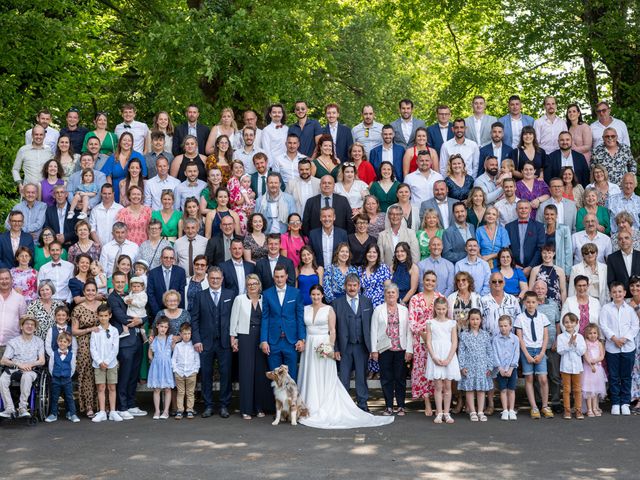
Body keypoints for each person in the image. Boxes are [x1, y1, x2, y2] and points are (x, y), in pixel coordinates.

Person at [297, 284, 393, 428]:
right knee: (310, 374)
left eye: (318, 294)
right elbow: (302, 328)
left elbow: (333, 330)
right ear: (310, 295)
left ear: (322, 295)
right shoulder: (305, 309)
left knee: (323, 375)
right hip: (309, 346)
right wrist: (303, 341)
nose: (316, 297)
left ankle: (327, 404)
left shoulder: (329, 309)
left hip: (323, 345)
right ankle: (309, 406)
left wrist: (328, 348)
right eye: (313, 294)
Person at [190, 266, 234, 418]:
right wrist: (196, 340)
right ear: (208, 279)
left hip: (225, 342)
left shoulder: (231, 294)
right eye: (212, 278)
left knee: (225, 374)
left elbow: (235, 319)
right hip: (205, 342)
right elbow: (194, 319)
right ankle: (208, 405)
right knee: (206, 374)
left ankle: (224, 405)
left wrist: (235, 338)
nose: (215, 280)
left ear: (222, 279)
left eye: (218, 278)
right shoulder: (200, 296)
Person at [230, 274, 273, 419]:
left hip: (261, 337)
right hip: (245, 336)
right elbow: (233, 319)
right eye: (249, 284)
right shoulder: (239, 299)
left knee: (260, 373)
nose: (252, 286)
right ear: (246, 286)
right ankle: (246, 409)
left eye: (255, 283)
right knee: (246, 372)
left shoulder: (264, 299)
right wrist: (233, 338)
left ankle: (259, 407)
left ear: (259, 285)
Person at [332, 274, 374, 411]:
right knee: (344, 377)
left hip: (362, 346)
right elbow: (334, 329)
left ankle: (362, 404)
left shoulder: (367, 302)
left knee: (361, 377)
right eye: (349, 285)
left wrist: (372, 348)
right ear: (345, 286)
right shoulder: (336, 303)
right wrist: (336, 348)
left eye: (354, 285)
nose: (352, 288)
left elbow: (371, 326)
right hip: (345, 347)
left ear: (359, 286)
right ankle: (345, 406)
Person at [370, 283, 412, 416]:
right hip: (384, 348)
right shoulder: (378, 310)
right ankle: (388, 406)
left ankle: (400, 406)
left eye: (393, 292)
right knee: (386, 378)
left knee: (400, 378)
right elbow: (373, 330)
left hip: (401, 348)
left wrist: (409, 350)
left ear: (398, 294)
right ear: (385, 295)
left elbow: (409, 332)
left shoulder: (404, 310)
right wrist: (374, 350)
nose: (391, 295)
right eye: (388, 292)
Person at [600, 282, 639, 415]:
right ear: (611, 294)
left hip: (628, 348)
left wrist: (625, 338)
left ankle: (625, 403)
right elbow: (603, 325)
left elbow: (635, 326)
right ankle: (616, 403)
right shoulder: (606, 308)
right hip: (612, 348)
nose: (617, 294)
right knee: (614, 376)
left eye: (620, 292)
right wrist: (614, 338)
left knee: (626, 376)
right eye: (615, 292)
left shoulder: (629, 309)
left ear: (624, 293)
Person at [260, 265, 305, 380]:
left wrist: (301, 339)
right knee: (276, 379)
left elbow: (299, 317)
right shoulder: (267, 294)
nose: (279, 279)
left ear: (286, 277)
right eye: (276, 277)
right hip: (273, 342)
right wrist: (264, 340)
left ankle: (292, 399)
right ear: (273, 277)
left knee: (291, 377)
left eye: (281, 276)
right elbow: (265, 318)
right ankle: (277, 399)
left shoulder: (296, 293)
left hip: (291, 341)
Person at [408, 271, 444, 416]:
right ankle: (427, 402)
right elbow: (412, 321)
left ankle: (439, 404)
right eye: (427, 280)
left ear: (436, 283)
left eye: (433, 281)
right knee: (422, 371)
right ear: (423, 281)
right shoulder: (415, 299)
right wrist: (423, 333)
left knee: (437, 370)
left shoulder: (440, 298)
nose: (430, 283)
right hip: (420, 340)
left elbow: (445, 318)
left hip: (437, 340)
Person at [515, 291, 553, 419]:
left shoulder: (542, 317)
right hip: (527, 351)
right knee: (529, 379)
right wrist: (526, 355)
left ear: (537, 303)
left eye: (533, 302)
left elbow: (546, 336)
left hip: (539, 350)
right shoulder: (520, 318)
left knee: (543, 378)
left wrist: (542, 353)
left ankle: (545, 406)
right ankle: (534, 407)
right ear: (524, 303)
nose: (530, 305)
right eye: (528, 302)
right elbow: (520, 338)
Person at [0, 315, 45, 419]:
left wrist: (30, 365)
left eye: (32, 325)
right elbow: (3, 360)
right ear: (21, 326)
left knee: (27, 376)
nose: (29, 326)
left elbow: (42, 361)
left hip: (30, 370)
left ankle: (22, 408)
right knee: (2, 379)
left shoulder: (39, 342)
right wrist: (19, 365)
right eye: (27, 324)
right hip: (14, 368)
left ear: (35, 328)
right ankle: (9, 409)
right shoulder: (13, 342)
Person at [425, 297, 460, 424]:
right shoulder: (430, 323)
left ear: (447, 309)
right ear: (435, 308)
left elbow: (454, 342)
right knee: (438, 386)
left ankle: (447, 413)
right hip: (436, 355)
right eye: (438, 309)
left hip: (448, 355)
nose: (441, 311)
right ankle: (439, 413)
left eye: (443, 309)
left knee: (448, 386)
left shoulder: (452, 323)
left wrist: (449, 358)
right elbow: (428, 341)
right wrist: (434, 357)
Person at [458, 309, 493, 422]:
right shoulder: (464, 335)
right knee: (469, 389)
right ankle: (472, 411)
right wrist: (462, 366)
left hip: (482, 366)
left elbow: (489, 351)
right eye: (472, 319)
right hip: (469, 366)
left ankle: (480, 411)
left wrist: (490, 366)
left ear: (481, 320)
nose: (475, 321)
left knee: (481, 389)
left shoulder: (485, 335)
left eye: (477, 319)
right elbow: (461, 351)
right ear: (469, 320)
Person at [90, 304, 121, 423]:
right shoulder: (95, 331)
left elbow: (115, 348)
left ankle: (113, 411)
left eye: (106, 316)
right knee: (101, 387)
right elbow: (93, 348)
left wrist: (107, 361)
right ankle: (102, 411)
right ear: (97, 316)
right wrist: (99, 361)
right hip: (98, 364)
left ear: (110, 316)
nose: (103, 318)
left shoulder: (114, 331)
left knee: (112, 387)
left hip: (111, 363)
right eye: (101, 316)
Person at [44, 329, 80, 423]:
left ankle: (72, 414)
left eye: (65, 342)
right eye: (60, 341)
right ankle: (53, 414)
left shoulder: (71, 355)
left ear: (69, 343)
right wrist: (55, 375)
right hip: (56, 379)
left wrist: (67, 376)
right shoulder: (53, 354)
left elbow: (72, 368)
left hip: (67, 379)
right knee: (54, 397)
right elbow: (51, 367)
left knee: (69, 397)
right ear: (57, 342)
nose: (62, 343)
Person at [556, 312, 587, 420]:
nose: (569, 324)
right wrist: (569, 344)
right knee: (566, 390)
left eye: (571, 322)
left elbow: (582, 352)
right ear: (563, 324)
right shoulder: (560, 337)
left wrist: (574, 344)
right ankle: (567, 411)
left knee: (578, 389)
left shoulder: (580, 337)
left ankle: (578, 411)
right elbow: (560, 351)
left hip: (577, 367)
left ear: (576, 323)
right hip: (565, 367)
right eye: (566, 322)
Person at [100, 132, 146, 201]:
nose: (126, 142)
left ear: (132, 143)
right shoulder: (113, 157)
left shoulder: (138, 156)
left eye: (129, 140)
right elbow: (108, 175)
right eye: (124, 140)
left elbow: (143, 174)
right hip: (115, 190)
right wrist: (110, 192)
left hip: (133, 192)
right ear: (120, 142)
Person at [505, 200, 545, 277]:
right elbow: (507, 249)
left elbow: (540, 248)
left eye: (526, 208)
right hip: (513, 269)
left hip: (534, 270)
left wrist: (530, 267)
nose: (523, 210)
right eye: (521, 208)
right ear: (516, 210)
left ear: (530, 210)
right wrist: (513, 264)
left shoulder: (539, 226)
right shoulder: (508, 227)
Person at [492, 315, 520, 421]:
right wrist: (500, 368)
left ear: (510, 326)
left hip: (512, 368)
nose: (503, 328)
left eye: (505, 326)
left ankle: (511, 410)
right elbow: (495, 354)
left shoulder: (515, 339)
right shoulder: (495, 339)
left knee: (511, 390)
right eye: (501, 326)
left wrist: (511, 368)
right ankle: (505, 410)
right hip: (501, 369)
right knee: (503, 390)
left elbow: (516, 354)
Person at [147, 317, 175, 420]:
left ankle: (166, 411)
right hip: (157, 367)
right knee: (157, 389)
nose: (163, 329)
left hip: (167, 366)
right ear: (157, 326)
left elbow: (174, 351)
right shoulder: (153, 339)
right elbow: (150, 354)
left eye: (165, 327)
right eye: (161, 326)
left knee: (167, 389)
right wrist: (154, 361)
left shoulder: (170, 338)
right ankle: (157, 410)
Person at [147, 247, 187, 318]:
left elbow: (182, 292)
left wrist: (176, 311)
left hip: (176, 312)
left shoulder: (180, 272)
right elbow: (150, 294)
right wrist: (158, 313)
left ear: (174, 259)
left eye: (171, 258)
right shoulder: (153, 273)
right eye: (166, 257)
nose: (168, 260)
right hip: (157, 312)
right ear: (161, 258)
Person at [172, 323, 200, 420]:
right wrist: (175, 370)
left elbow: (197, 359)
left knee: (190, 392)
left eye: (188, 333)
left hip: (191, 372)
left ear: (191, 334)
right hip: (179, 372)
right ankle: (180, 410)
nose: (186, 336)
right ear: (180, 334)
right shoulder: (177, 346)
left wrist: (195, 370)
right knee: (180, 392)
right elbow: (174, 359)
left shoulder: (194, 346)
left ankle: (189, 410)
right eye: (184, 334)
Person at [582, 323, 606, 416]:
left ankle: (595, 408)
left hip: (598, 369)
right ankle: (589, 409)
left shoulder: (599, 343)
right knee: (589, 390)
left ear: (598, 334)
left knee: (595, 390)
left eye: (595, 333)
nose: (593, 335)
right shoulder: (585, 343)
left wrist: (595, 361)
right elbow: (585, 355)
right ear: (587, 335)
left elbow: (602, 356)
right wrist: (590, 364)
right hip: (588, 370)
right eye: (590, 333)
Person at [606, 230, 640, 297]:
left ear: (632, 240)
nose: (623, 241)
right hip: (621, 298)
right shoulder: (611, 258)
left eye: (626, 238)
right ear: (617, 242)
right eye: (620, 239)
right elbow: (611, 281)